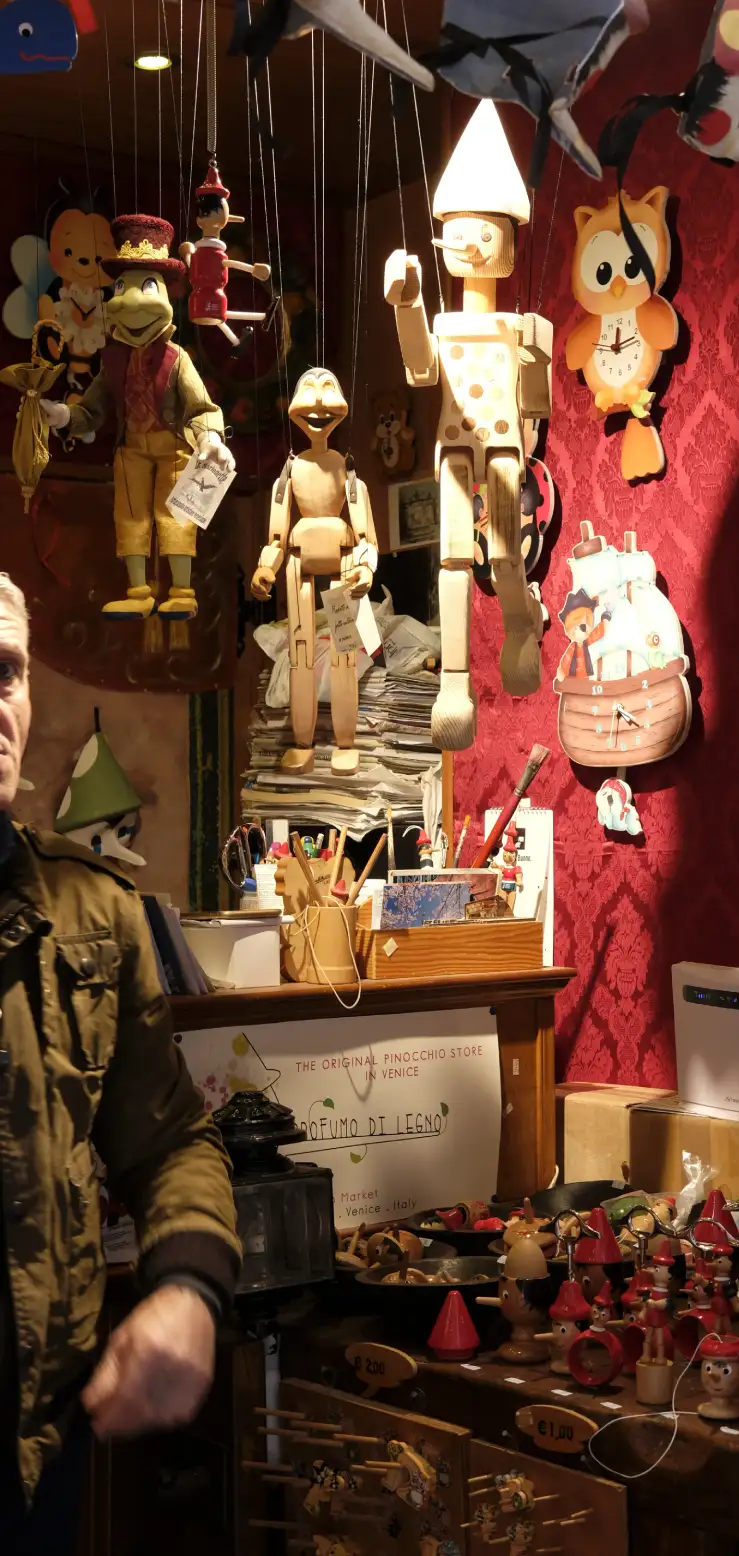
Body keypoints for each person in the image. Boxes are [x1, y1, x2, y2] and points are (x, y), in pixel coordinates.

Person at [0, 573, 241, 1551]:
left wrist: (187, 1288)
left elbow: (173, 1140)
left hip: (33, 1458)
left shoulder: (90, 913)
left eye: (7, 672)